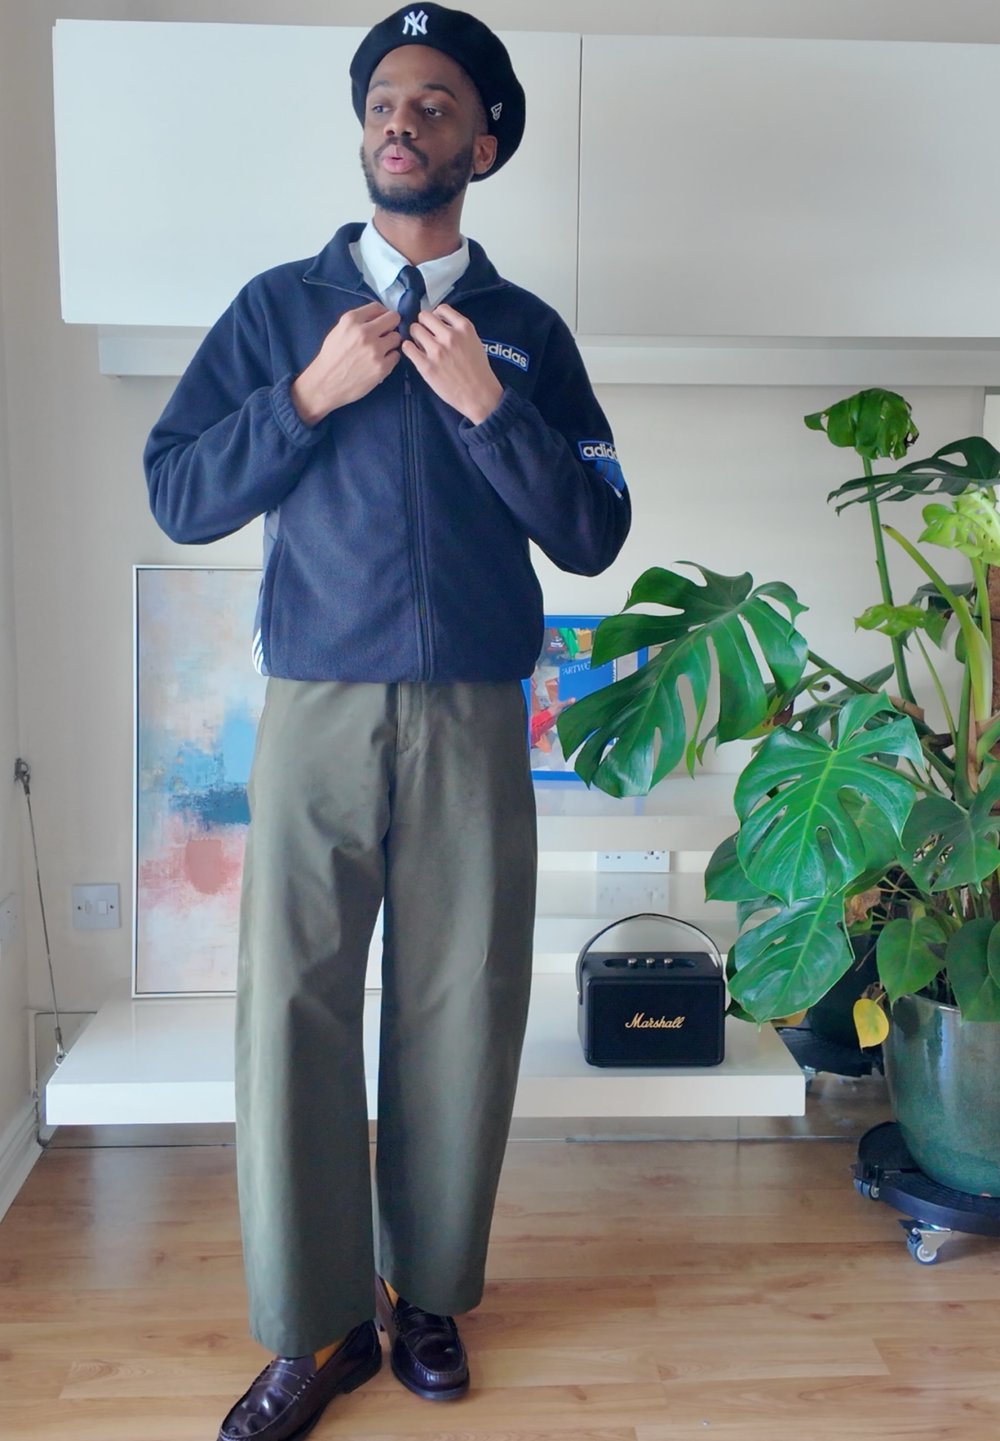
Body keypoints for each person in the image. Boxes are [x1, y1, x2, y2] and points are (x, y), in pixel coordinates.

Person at [143, 7, 631, 1438]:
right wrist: (306, 393)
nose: (398, 121)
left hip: (480, 711)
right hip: (316, 707)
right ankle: (316, 1328)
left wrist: (489, 408)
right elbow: (179, 487)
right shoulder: (278, 312)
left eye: (432, 103)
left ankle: (428, 1294)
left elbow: (596, 524)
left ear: (482, 140)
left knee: (461, 1002)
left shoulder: (528, 335)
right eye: (381, 101)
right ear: (364, 134)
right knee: (288, 1007)